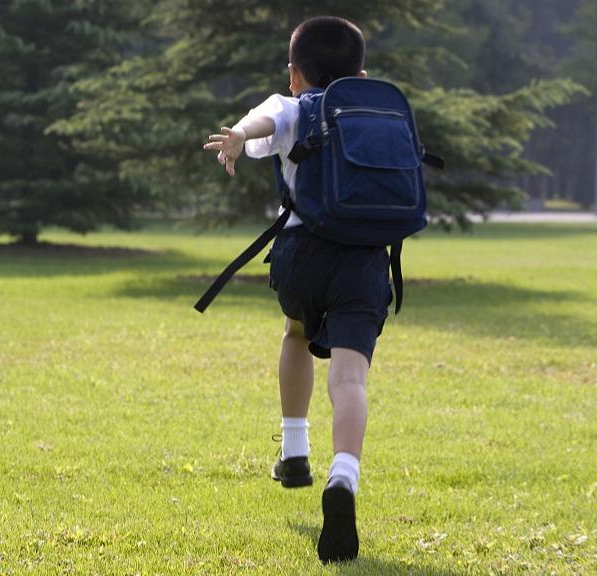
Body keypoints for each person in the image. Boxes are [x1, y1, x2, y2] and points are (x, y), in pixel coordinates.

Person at [201, 16, 389, 563]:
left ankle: (295, 452)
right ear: (362, 73)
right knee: (350, 375)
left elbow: (266, 118)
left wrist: (238, 134)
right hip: (364, 260)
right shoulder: (375, 111)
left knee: (296, 333)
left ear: (294, 74)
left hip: (303, 256)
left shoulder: (294, 107)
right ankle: (344, 477)